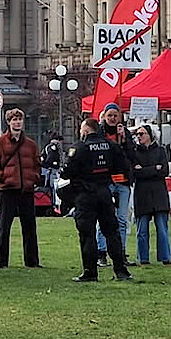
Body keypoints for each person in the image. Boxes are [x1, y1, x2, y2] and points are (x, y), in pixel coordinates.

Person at [62, 118, 133, 282]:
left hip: (85, 194)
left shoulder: (79, 148)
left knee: (87, 234)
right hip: (105, 192)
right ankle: (120, 270)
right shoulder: (111, 146)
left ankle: (90, 272)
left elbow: (66, 172)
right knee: (112, 232)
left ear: (86, 130)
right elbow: (123, 166)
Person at [0, 107, 41, 269]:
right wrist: (3, 177)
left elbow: (37, 163)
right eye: (14, 120)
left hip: (26, 189)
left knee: (30, 226)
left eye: (19, 119)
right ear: (8, 122)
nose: (17, 122)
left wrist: (34, 178)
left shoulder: (30, 144)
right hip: (7, 189)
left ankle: (32, 261)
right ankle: (1, 261)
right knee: (4, 226)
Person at [97, 103, 134, 266]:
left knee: (122, 219)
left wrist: (124, 140)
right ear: (104, 116)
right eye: (109, 115)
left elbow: (131, 155)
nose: (112, 118)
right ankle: (102, 252)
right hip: (105, 181)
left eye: (115, 115)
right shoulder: (99, 133)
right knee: (104, 217)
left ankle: (121, 252)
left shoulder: (124, 133)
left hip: (123, 181)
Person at [130, 124, 171, 266]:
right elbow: (135, 173)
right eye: (137, 134)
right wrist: (154, 169)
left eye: (142, 134)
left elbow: (164, 171)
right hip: (142, 195)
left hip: (159, 194)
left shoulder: (160, 151)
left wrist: (145, 170)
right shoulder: (135, 152)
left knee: (162, 228)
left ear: (150, 135)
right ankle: (143, 258)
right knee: (141, 229)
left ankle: (165, 257)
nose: (139, 137)